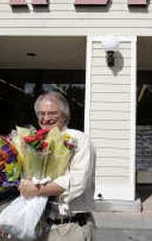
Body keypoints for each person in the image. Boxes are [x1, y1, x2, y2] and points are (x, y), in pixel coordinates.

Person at [18, 91, 96, 241]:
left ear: (65, 116)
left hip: (71, 227)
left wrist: (35, 190)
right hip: (40, 226)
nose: (46, 118)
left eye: (52, 113)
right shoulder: (33, 144)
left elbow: (76, 183)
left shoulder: (79, 140)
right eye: (41, 113)